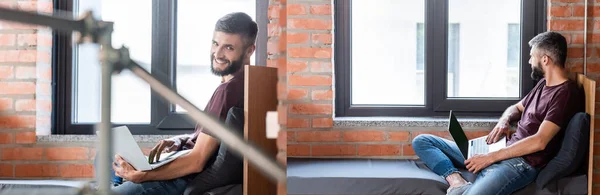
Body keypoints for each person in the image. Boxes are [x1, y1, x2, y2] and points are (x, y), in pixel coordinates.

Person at [93, 12, 258, 195]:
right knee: (107, 157)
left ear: (249, 50)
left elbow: (197, 161)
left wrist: (143, 176)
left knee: (109, 163)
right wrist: (180, 140)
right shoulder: (250, 83)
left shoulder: (227, 92)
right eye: (215, 43)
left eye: (228, 47)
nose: (217, 54)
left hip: (179, 178)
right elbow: (211, 141)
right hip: (181, 161)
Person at [412, 31, 584, 195]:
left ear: (545, 60)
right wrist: (504, 120)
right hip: (504, 150)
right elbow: (516, 108)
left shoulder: (565, 94)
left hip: (520, 163)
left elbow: (540, 141)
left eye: (532, 56)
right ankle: (457, 181)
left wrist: (490, 157)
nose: (530, 61)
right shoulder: (543, 84)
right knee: (422, 141)